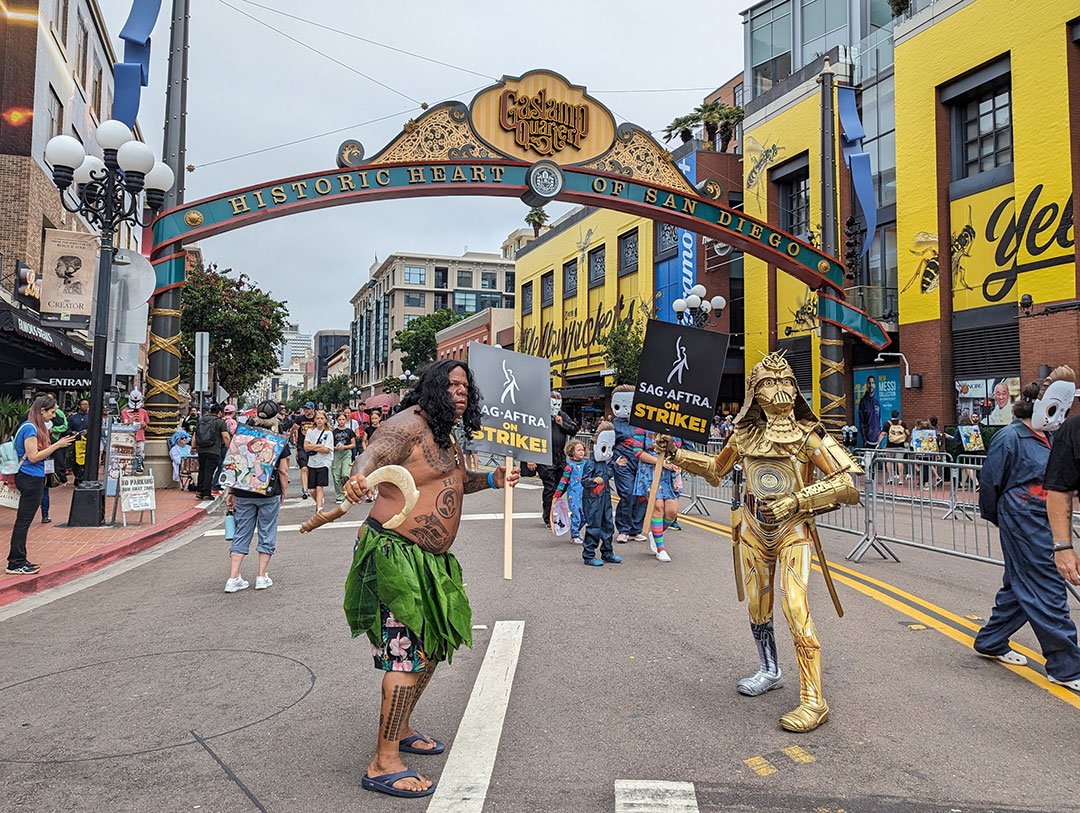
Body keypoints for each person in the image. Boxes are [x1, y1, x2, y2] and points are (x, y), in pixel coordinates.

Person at [655, 351, 861, 732]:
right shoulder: (743, 435)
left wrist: (799, 500)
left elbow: (848, 484)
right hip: (752, 528)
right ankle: (770, 668)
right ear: (754, 391)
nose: (778, 390)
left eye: (785, 382)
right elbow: (717, 470)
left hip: (793, 530)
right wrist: (676, 454)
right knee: (757, 606)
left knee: (796, 606)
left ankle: (814, 699)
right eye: (768, 382)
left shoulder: (809, 436)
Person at [340, 359, 519, 798]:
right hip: (395, 555)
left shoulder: (444, 434)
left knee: (431, 649)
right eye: (452, 384)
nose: (461, 391)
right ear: (434, 388)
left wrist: (494, 478)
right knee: (406, 657)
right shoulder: (408, 425)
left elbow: (455, 481)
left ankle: (398, 729)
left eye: (465, 386)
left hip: (429, 560)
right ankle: (383, 763)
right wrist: (358, 477)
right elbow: (373, 454)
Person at [975, 368, 1080, 691]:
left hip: (1043, 520)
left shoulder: (1050, 436)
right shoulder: (1010, 438)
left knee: (1022, 586)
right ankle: (1065, 665)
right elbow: (989, 484)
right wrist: (1003, 521)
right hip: (1021, 520)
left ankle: (991, 640)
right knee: (1046, 587)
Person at [225, 400, 291, 593]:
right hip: (269, 492)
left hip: (243, 490)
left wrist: (231, 492)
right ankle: (261, 576)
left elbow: (233, 465)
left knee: (242, 532)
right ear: (275, 417)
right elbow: (284, 471)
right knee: (267, 531)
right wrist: (283, 491)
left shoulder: (242, 435)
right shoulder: (278, 440)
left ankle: (233, 577)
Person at [6, 395, 74, 575]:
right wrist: (58, 445)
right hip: (29, 477)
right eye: (51, 412)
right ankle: (15, 562)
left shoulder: (34, 427)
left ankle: (19, 559)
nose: (54, 416)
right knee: (23, 521)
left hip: (32, 476)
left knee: (24, 521)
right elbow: (34, 456)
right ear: (41, 411)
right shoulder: (30, 428)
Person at [632, 428, 682, 562]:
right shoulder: (641, 427)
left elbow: (680, 451)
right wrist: (660, 462)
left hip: (670, 474)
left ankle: (655, 533)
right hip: (650, 471)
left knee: (672, 512)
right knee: (658, 507)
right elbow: (637, 452)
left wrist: (678, 464)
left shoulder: (675, 426)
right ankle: (660, 549)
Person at [535, 391, 578, 529]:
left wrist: (562, 423)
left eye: (558, 403)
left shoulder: (562, 415)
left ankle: (553, 508)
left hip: (560, 457)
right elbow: (531, 434)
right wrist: (530, 459)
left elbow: (573, 429)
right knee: (550, 485)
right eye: (553, 403)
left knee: (563, 484)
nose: (556, 406)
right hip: (545, 457)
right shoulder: (539, 415)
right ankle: (548, 517)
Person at [610, 385, 647, 544]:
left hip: (642, 465)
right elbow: (603, 446)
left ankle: (635, 529)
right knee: (628, 495)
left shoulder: (645, 423)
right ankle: (624, 529)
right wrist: (614, 462)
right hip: (623, 466)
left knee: (641, 496)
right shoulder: (614, 425)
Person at [581, 422, 621, 566]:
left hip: (605, 497)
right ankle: (589, 554)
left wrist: (615, 465)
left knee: (608, 525)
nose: (609, 451)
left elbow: (608, 473)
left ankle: (607, 552)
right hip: (592, 499)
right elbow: (584, 481)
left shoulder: (605, 462)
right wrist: (593, 480)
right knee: (594, 526)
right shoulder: (591, 463)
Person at [553, 439, 586, 544]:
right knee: (576, 513)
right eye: (578, 450)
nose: (581, 452)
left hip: (584, 493)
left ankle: (576, 530)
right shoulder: (569, 466)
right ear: (572, 452)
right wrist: (558, 492)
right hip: (574, 493)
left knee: (585, 515)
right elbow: (564, 480)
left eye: (582, 450)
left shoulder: (585, 464)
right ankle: (574, 535)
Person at [195, 404, 230, 500]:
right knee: (209, 471)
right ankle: (206, 493)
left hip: (201, 449)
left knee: (202, 470)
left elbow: (195, 434)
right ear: (219, 412)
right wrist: (230, 448)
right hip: (213, 450)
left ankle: (199, 491)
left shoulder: (201, 420)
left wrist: (193, 447)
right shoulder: (219, 422)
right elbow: (226, 436)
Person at [303, 410, 334, 512]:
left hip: (324, 462)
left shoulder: (328, 433)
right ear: (315, 420)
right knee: (312, 489)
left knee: (319, 486)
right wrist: (318, 446)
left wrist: (312, 447)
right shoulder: (310, 432)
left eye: (322, 418)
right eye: (318, 418)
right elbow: (306, 446)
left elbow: (326, 449)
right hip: (312, 462)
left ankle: (319, 508)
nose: (320, 420)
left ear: (325, 420)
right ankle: (319, 501)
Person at [290, 402, 316, 499]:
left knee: (312, 468)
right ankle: (305, 490)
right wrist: (293, 431)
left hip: (313, 446)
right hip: (302, 446)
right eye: (305, 409)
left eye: (308, 409)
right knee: (304, 468)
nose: (306, 411)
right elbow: (292, 430)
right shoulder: (300, 419)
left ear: (313, 409)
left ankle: (312, 487)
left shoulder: (316, 419)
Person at [121, 389, 150, 474]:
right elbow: (124, 424)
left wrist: (144, 425)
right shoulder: (125, 411)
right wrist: (128, 423)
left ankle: (139, 467)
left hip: (140, 437)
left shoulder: (143, 412)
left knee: (140, 453)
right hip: (128, 437)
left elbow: (147, 426)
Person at [331, 411, 356, 503]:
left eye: (343, 419)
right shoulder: (333, 432)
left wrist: (344, 447)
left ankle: (347, 490)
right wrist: (335, 448)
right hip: (336, 453)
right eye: (339, 419)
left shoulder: (349, 431)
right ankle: (339, 495)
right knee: (336, 475)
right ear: (337, 420)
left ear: (346, 420)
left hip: (346, 453)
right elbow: (329, 445)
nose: (341, 421)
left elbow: (353, 444)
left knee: (345, 474)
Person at [878, 409, 908, 484]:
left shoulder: (888, 424)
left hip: (890, 446)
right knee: (900, 462)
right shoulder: (902, 423)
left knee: (889, 461)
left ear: (891, 415)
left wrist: (878, 443)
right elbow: (907, 433)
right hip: (900, 446)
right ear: (898, 416)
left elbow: (883, 434)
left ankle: (890, 478)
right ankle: (900, 479)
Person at [68, 398, 91, 485]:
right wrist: (72, 432)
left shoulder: (91, 417)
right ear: (79, 406)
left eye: (86, 405)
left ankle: (82, 477)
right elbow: (68, 429)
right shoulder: (73, 417)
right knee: (74, 460)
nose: (85, 406)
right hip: (76, 442)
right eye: (83, 404)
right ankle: (77, 476)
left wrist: (88, 432)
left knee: (85, 460)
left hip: (87, 442)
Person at [858, 374, 882, 448]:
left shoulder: (876, 402)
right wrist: (864, 439)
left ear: (874, 385)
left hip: (876, 440)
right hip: (867, 440)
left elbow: (879, 420)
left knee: (877, 459)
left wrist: (879, 438)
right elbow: (861, 421)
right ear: (867, 385)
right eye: (869, 383)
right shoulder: (863, 402)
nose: (871, 385)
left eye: (872, 383)